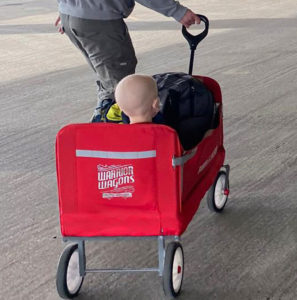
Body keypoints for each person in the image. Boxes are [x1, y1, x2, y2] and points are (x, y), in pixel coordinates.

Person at [54, 0, 200, 122]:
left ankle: (104, 133)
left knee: (107, 82)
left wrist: (69, 8)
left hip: (74, 15)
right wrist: (177, 11)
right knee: (123, 92)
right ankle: (114, 142)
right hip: (99, 19)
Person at [115, 74, 214, 149]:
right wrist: (207, 136)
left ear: (121, 108)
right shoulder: (166, 136)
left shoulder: (120, 137)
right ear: (156, 103)